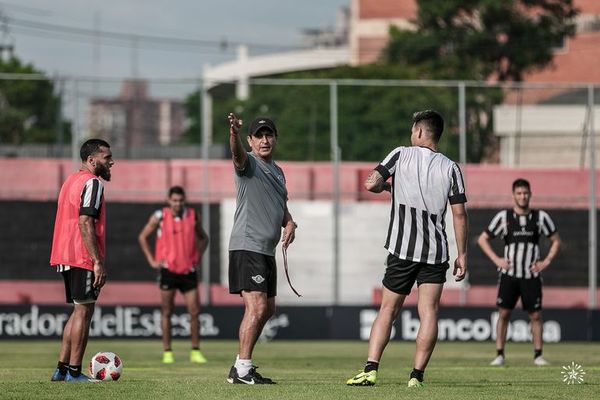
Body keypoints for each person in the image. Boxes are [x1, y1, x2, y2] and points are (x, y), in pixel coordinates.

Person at [346, 110, 468, 388]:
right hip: (436, 252)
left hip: (403, 249)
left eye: (414, 130)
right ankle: (416, 376)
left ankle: (371, 369)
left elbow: (371, 182)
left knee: (387, 310)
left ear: (421, 133)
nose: (411, 134)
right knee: (429, 312)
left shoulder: (401, 154)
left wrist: (388, 188)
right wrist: (462, 254)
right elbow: (459, 215)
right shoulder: (451, 168)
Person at [225, 113, 297, 385]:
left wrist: (289, 223)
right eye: (259, 136)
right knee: (255, 308)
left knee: (267, 309)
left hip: (266, 251)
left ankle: (239, 367)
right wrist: (232, 134)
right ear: (250, 141)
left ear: (275, 138)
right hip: (248, 246)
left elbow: (282, 206)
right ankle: (243, 370)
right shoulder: (248, 163)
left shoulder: (278, 171)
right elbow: (236, 155)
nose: (265, 140)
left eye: (269, 135)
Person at [477, 178, 561, 366]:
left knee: (536, 315)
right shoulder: (504, 217)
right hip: (509, 275)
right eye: (519, 193)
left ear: (530, 194)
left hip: (531, 276)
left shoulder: (540, 217)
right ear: (513, 195)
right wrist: (497, 260)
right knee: (504, 313)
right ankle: (499, 354)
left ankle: (538, 355)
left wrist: (545, 262)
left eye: (525, 193)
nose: (522, 196)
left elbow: (556, 240)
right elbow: (483, 239)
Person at [49, 138, 113, 382]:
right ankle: (75, 372)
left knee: (77, 312)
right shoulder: (93, 183)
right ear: (91, 160)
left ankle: (62, 370)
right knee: (84, 312)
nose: (111, 162)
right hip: (81, 255)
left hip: (64, 254)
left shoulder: (70, 181)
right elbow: (85, 221)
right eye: (107, 158)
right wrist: (97, 261)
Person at [138, 186, 210, 364]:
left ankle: (195, 351)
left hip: (188, 272)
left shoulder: (193, 215)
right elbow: (143, 237)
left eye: (180, 200)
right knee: (167, 312)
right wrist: (153, 261)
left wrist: (196, 257)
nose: (178, 203)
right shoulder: (160, 216)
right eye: (174, 200)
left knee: (194, 312)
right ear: (169, 200)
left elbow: (204, 238)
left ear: (184, 200)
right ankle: (167, 352)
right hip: (168, 271)